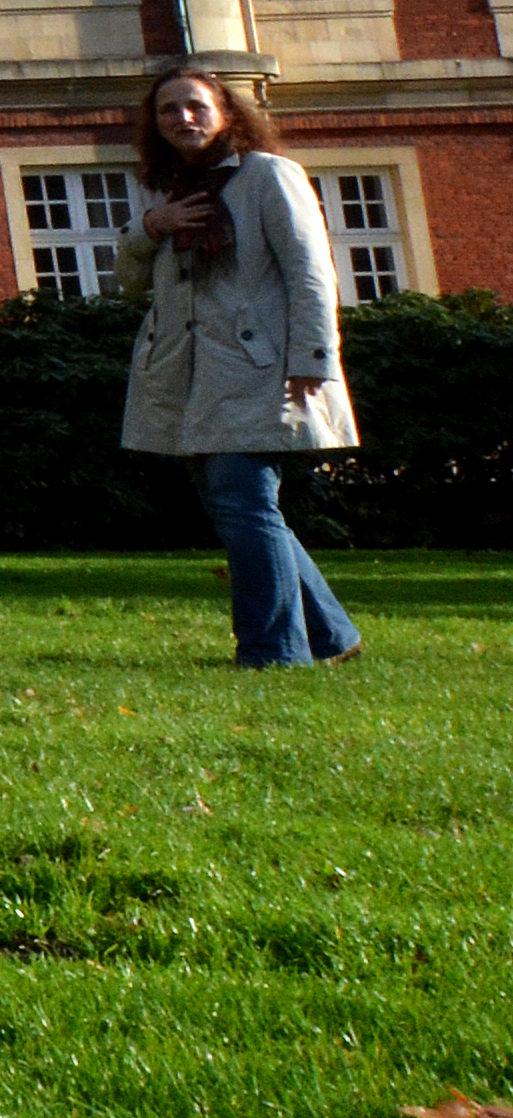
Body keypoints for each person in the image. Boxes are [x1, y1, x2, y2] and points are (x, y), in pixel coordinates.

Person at [117, 67, 362, 668]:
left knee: (243, 502)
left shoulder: (269, 176)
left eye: (195, 106)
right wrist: (149, 230)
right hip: (185, 371)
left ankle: (274, 652)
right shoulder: (164, 192)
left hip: (261, 367)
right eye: (168, 110)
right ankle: (331, 635)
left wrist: (312, 358)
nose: (183, 119)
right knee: (243, 507)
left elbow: (311, 273)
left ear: (226, 112)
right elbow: (128, 285)